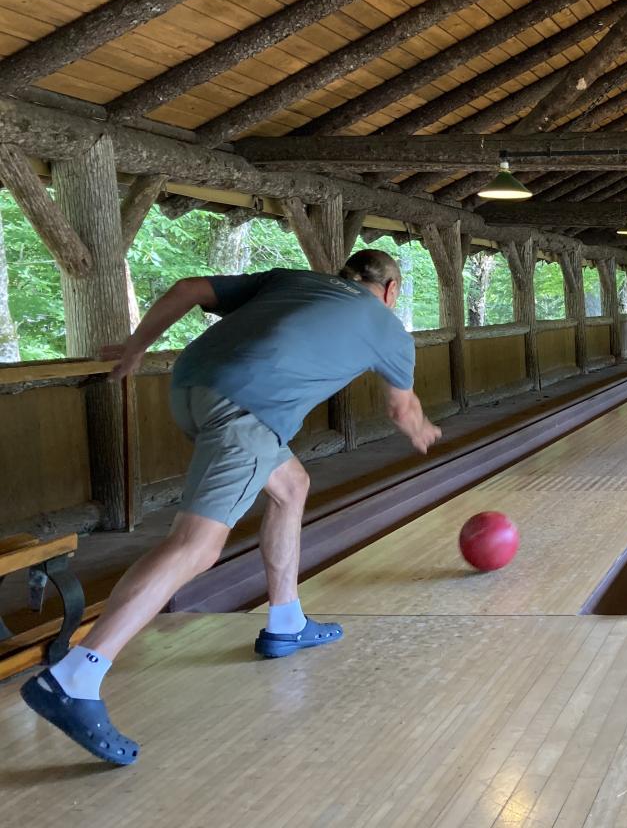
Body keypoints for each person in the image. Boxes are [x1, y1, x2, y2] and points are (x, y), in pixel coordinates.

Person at [21, 249, 441, 766]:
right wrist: (422, 430)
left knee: (291, 485)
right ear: (391, 290)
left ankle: (286, 621)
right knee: (195, 546)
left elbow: (188, 288)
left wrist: (135, 347)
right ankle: (76, 676)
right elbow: (402, 408)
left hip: (190, 388)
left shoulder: (293, 281)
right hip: (248, 412)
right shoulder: (388, 329)